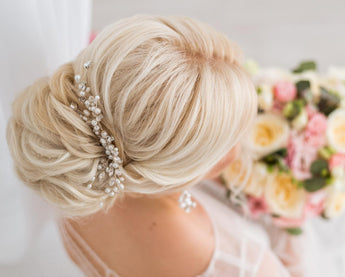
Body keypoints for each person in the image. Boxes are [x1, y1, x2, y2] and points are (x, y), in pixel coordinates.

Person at [6, 15, 291, 276]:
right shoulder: (246, 267)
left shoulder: (70, 164)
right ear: (173, 170)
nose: (235, 154)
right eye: (229, 140)